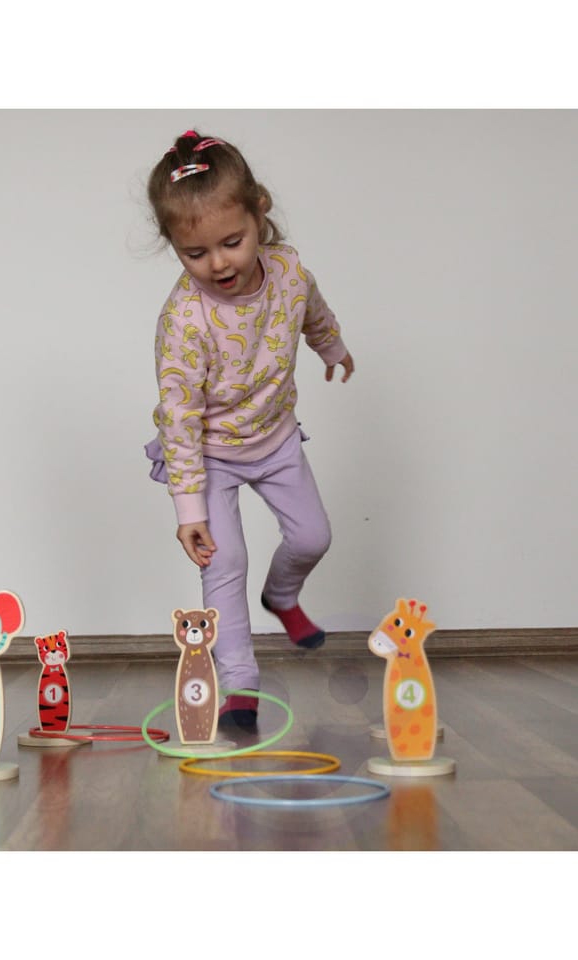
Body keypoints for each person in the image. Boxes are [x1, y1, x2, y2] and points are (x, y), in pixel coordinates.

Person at [144, 130, 354, 730]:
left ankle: (282, 596)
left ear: (260, 212)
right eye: (195, 253)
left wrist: (331, 346)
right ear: (174, 246)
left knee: (313, 537)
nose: (217, 264)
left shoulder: (287, 269)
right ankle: (239, 682)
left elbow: (311, 308)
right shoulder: (184, 320)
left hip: (275, 436)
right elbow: (180, 418)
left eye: (231, 243)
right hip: (208, 454)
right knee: (224, 561)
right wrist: (189, 509)